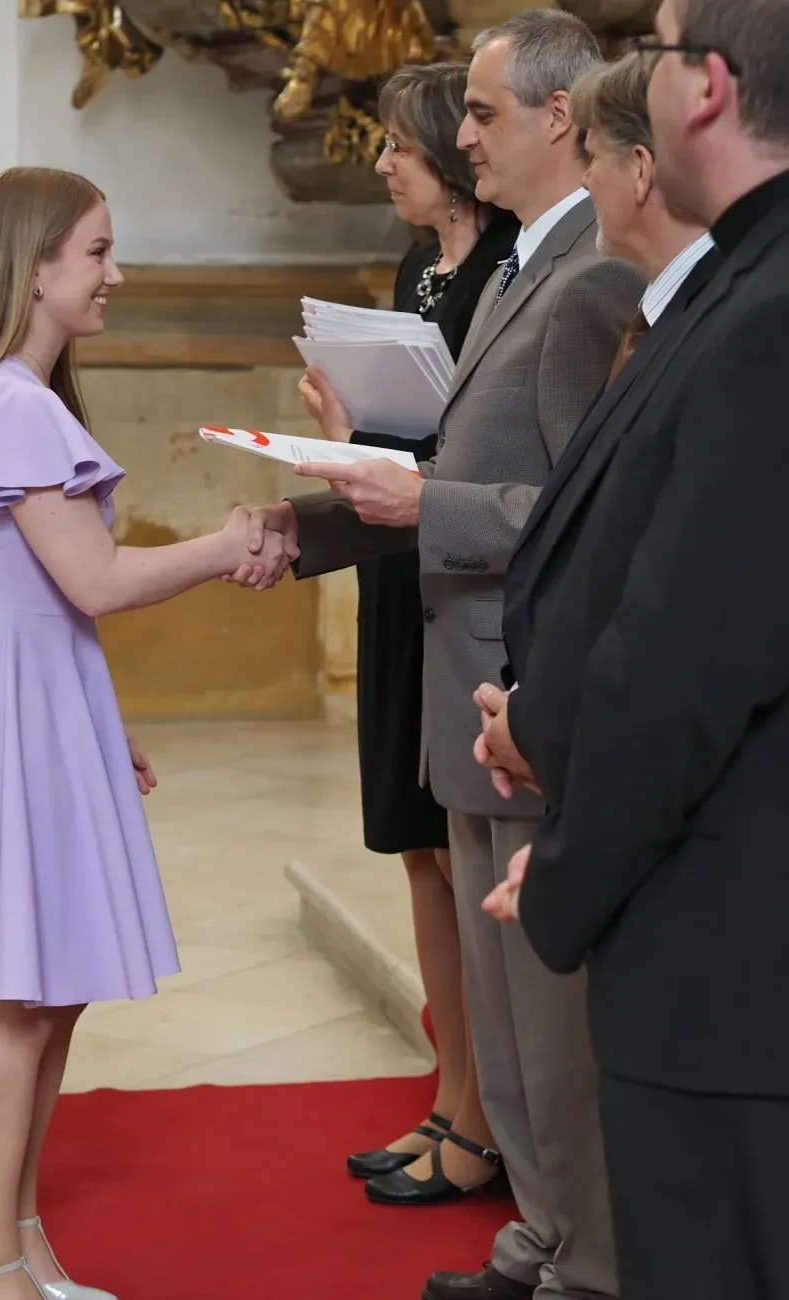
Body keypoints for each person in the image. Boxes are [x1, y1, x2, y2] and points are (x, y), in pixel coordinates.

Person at [238, 12, 644, 1298]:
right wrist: (311, 520)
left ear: (559, 118)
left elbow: (585, 513)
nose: (461, 136)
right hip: (461, 683)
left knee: (550, 1023)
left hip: (520, 685)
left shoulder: (591, 276)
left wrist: (424, 501)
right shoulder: (525, 261)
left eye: (480, 112)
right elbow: (455, 464)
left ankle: (587, 1263)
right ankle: (538, 1236)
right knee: (502, 1016)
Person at [0, 167, 289, 1300]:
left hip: (29, 698)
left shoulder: (16, 395)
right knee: (15, 1001)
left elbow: (42, 598)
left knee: (50, 991)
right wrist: (227, 544)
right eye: (98, 252)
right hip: (5, 707)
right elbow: (94, 580)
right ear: (36, 265)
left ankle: (19, 1241)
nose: (116, 273)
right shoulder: (12, 404)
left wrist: (96, 721)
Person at [480, 1, 789, 1296]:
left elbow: (680, 665)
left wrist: (565, 872)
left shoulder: (763, 317)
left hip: (728, 968)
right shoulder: (736, 284)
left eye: (653, 46)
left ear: (704, 88)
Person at [305, 62, 518, 1203]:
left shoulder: (506, 266)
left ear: (448, 152)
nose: (383, 162)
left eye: (397, 143)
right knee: (416, 846)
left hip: (462, 566)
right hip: (399, 568)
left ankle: (484, 1114)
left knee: (459, 841)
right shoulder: (413, 267)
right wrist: (342, 435)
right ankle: (448, 1091)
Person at [474, 49, 719, 803]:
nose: (584, 182)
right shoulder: (655, 310)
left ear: (640, 169)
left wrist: (549, 720)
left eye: (596, 158)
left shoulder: (715, 323)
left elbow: (660, 570)